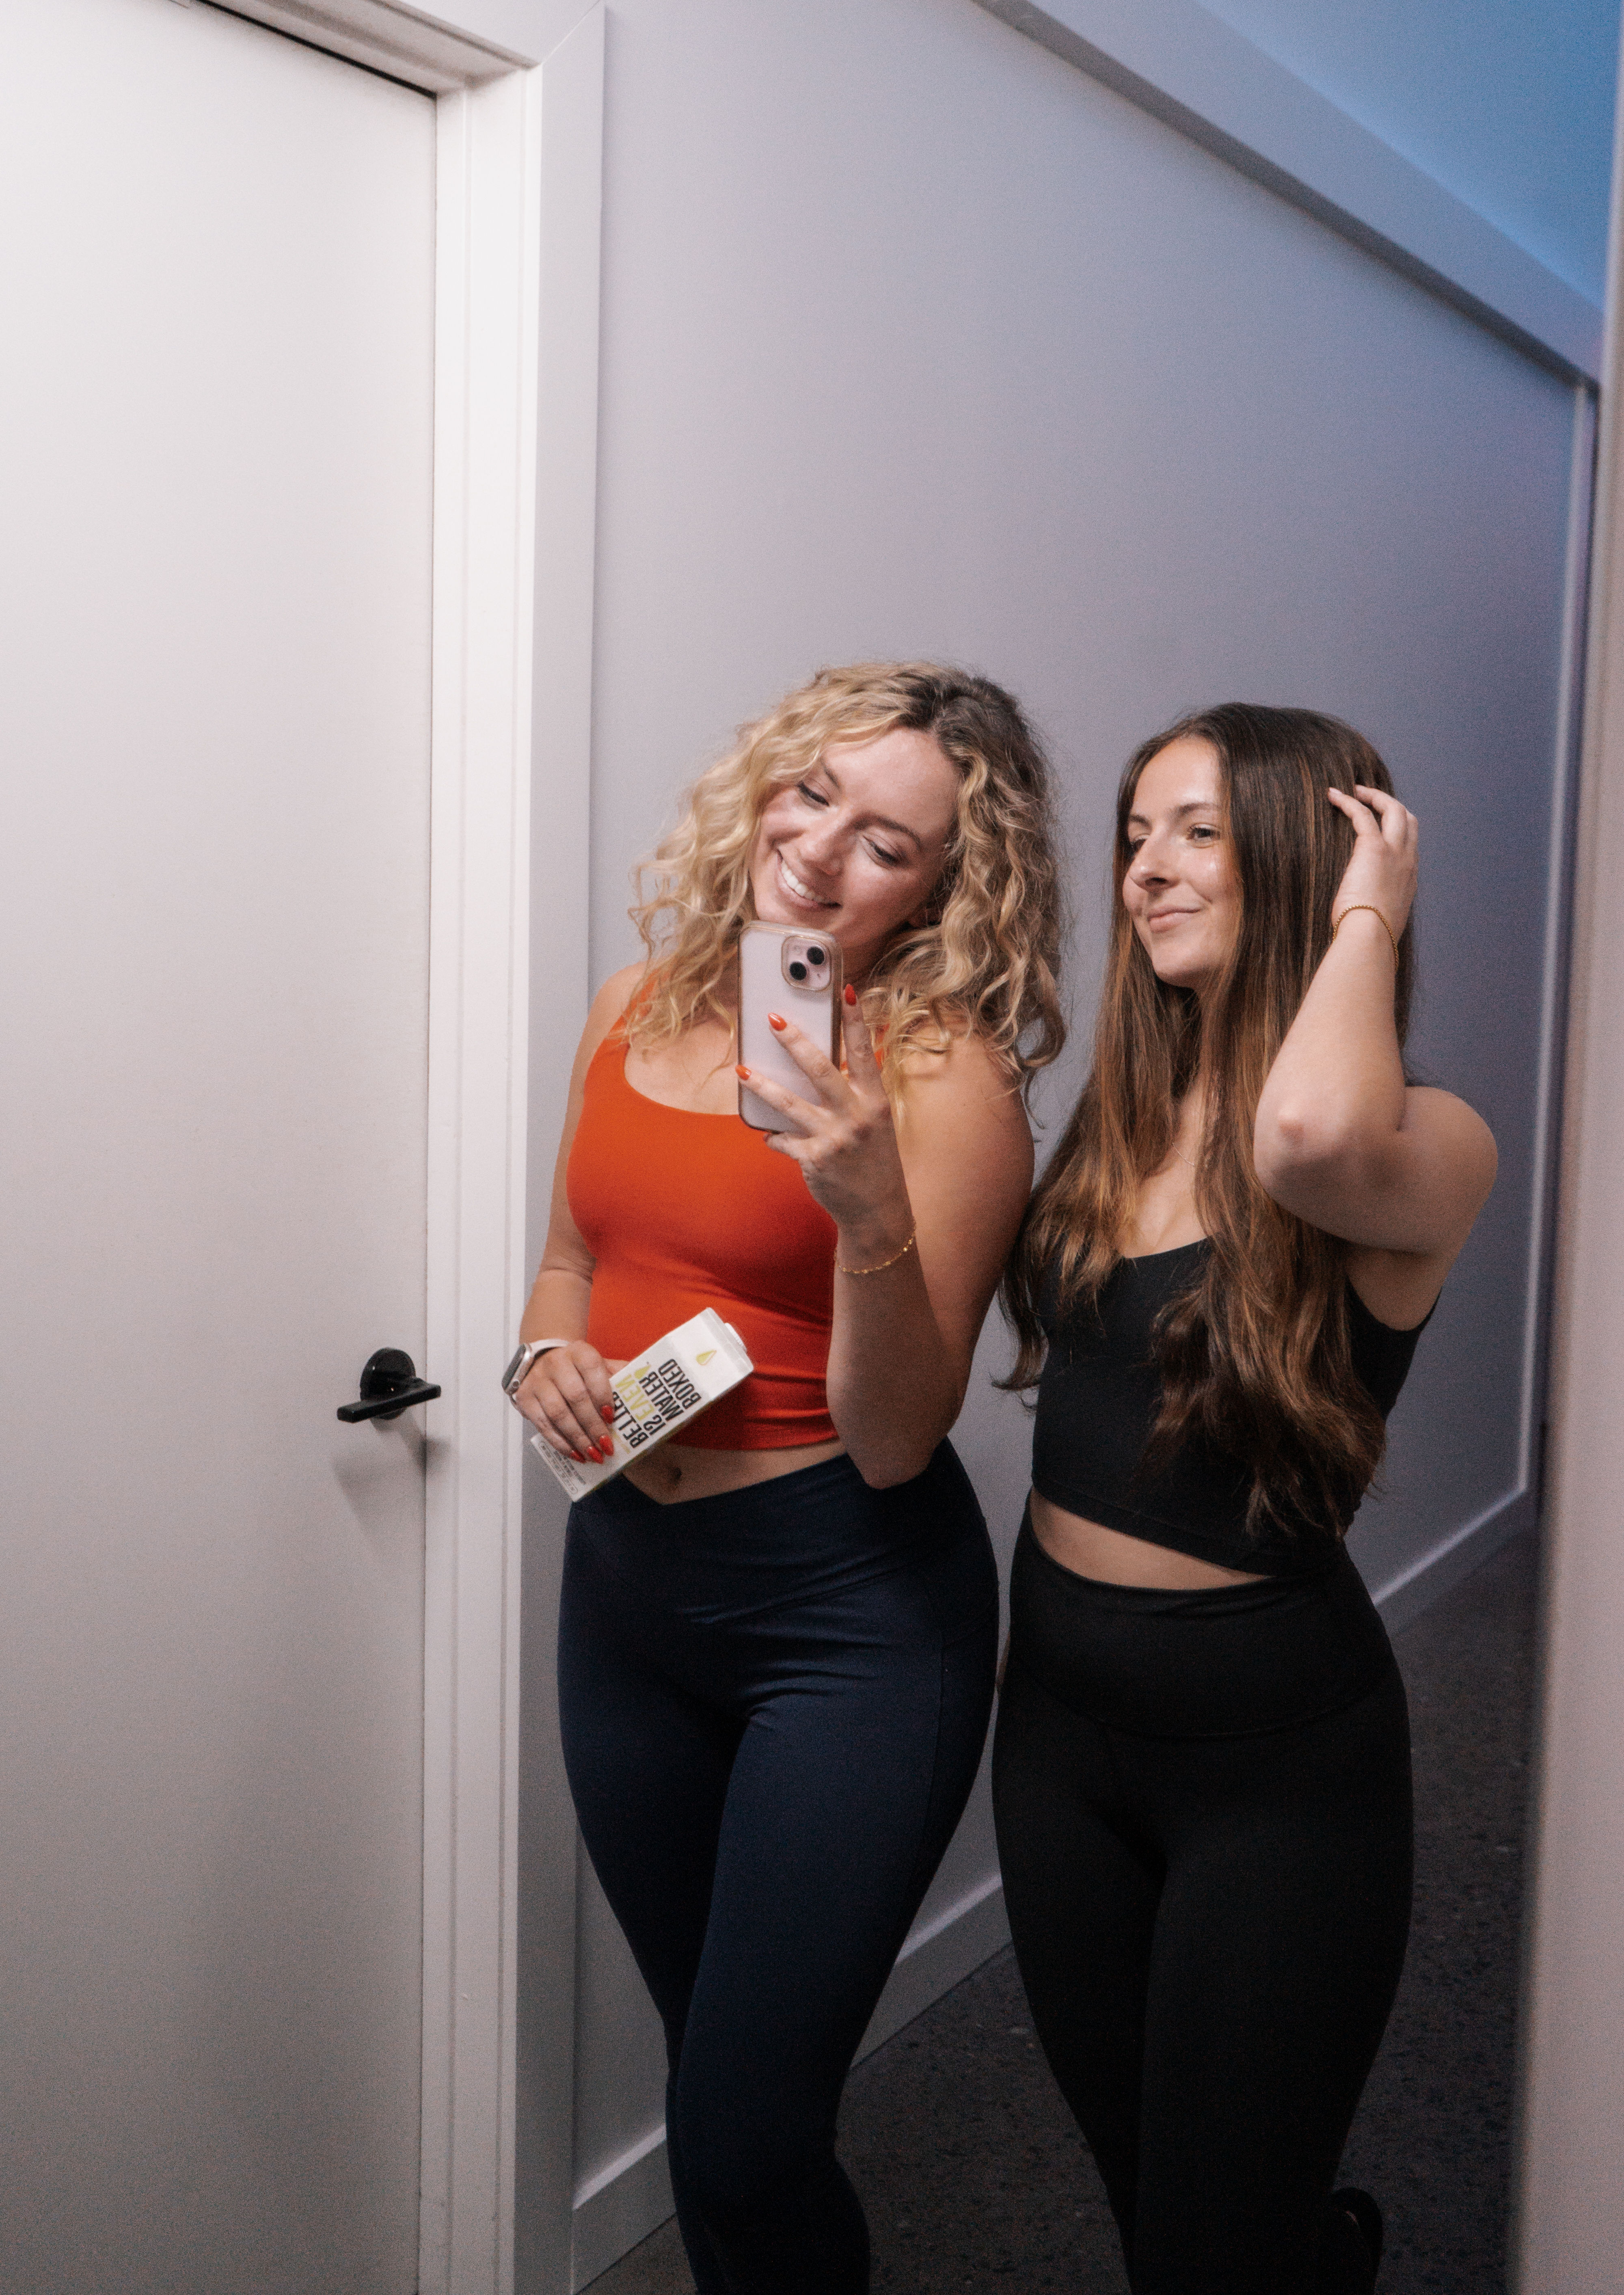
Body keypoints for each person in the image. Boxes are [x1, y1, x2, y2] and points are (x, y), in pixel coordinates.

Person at [509, 661, 1064, 2295]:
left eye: (887, 843)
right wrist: (545, 1355)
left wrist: (870, 1208)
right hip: (623, 1602)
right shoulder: (634, 1005)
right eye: (812, 794)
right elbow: (563, 1260)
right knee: (710, 2093)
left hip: (844, 1618)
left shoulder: (942, 1081)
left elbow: (900, 1438)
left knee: (750, 2134)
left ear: (943, 889)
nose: (821, 854)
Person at [993, 703, 1497, 2295]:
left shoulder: (1425, 1144)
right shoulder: (1124, 1115)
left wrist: (1366, 910)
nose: (1144, 869)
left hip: (1272, 1769)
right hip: (1060, 1734)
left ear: (1305, 845)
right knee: (1159, 2209)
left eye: (1195, 830)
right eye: (1134, 834)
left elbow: (1309, 1131)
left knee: (1213, 2251)